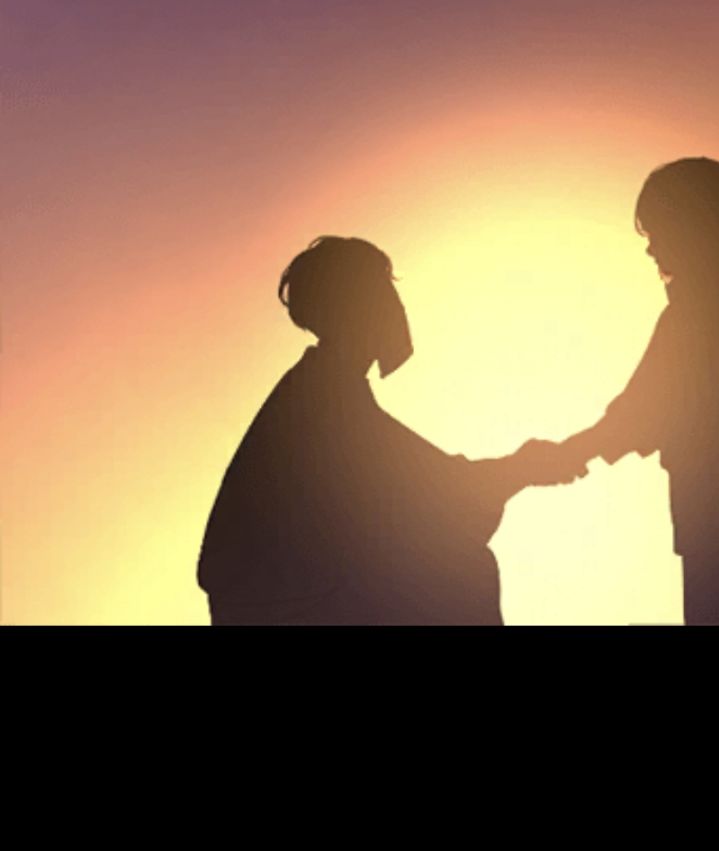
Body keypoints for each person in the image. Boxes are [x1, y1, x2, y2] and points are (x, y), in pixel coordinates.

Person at [197, 236, 583, 626]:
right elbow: (431, 487)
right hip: (294, 607)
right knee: (458, 571)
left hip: (298, 598)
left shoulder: (323, 388)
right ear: (355, 307)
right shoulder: (322, 396)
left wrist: (520, 467)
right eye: (381, 294)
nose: (396, 308)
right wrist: (522, 467)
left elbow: (420, 480)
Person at [553, 160, 719, 625]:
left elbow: (643, 412)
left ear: (692, 227)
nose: (651, 248)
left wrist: (567, 453)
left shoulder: (704, 311)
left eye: (658, 231)